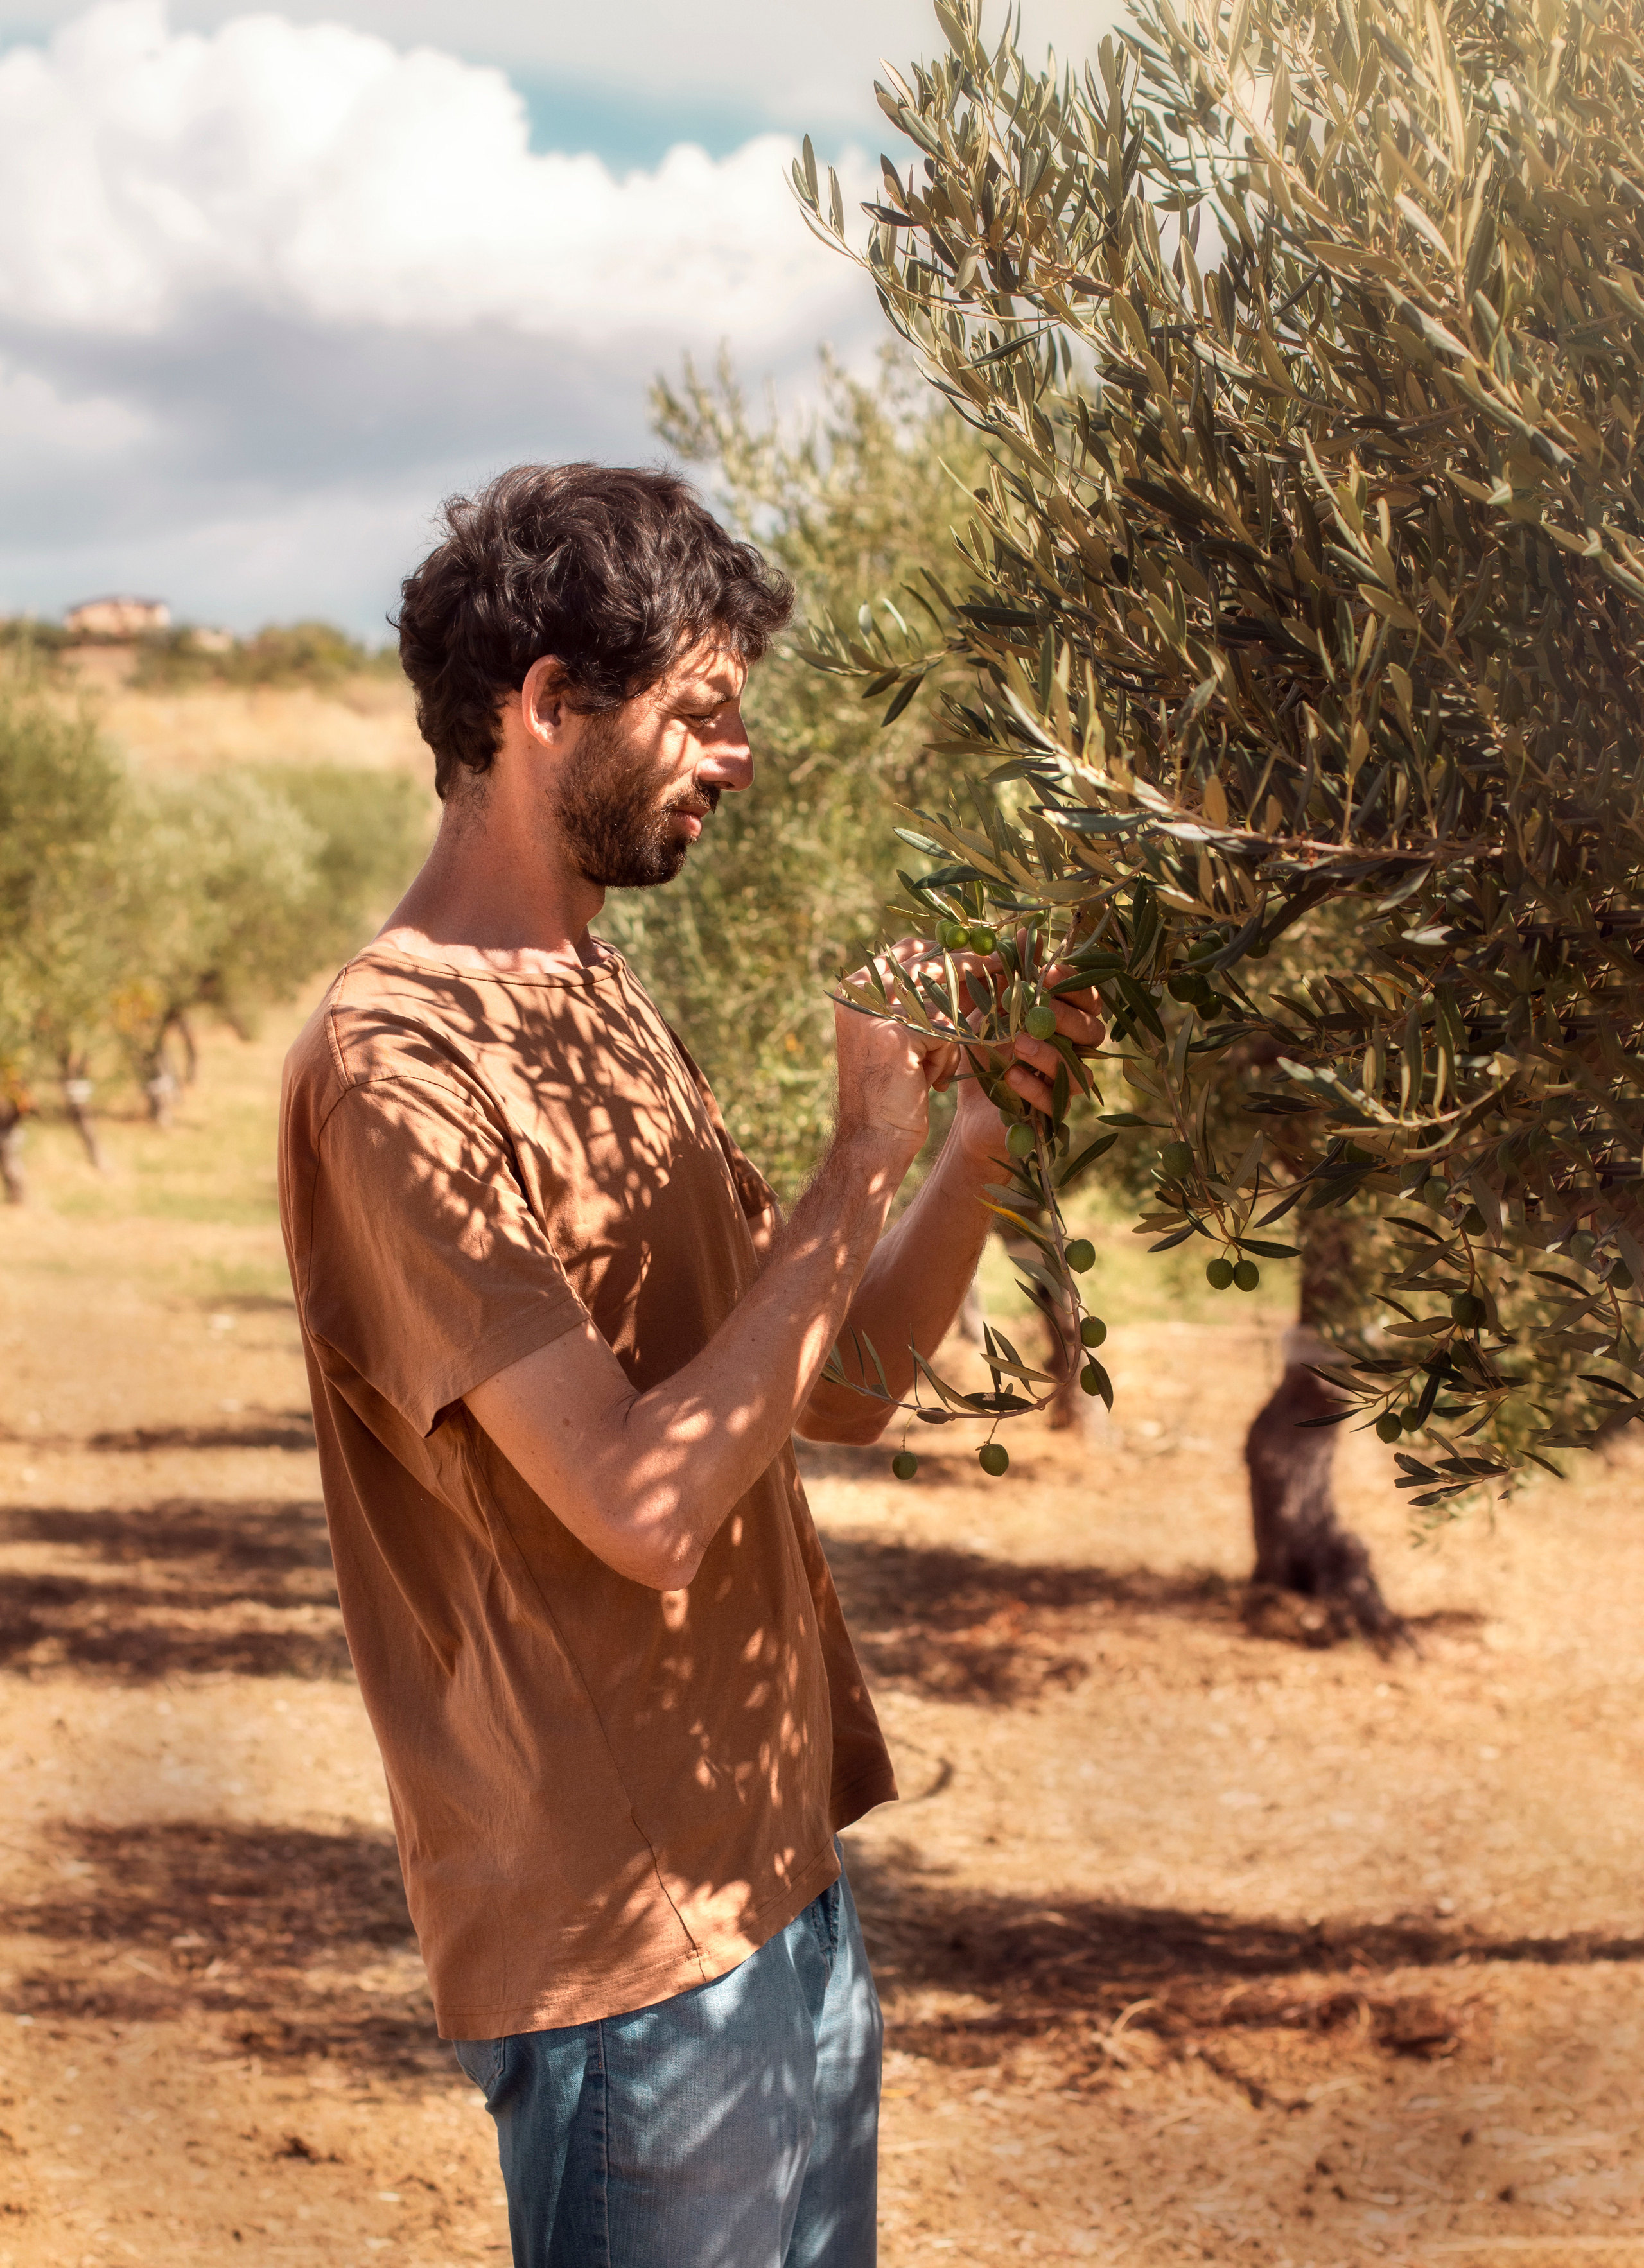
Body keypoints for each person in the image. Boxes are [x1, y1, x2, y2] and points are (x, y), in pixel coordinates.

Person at [277, 463, 1103, 2267]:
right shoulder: (395, 1061)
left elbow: (833, 1387)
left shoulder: (597, 999)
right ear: (547, 703)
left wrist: (970, 1138)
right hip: (622, 1948)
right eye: (702, 712)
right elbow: (644, 1506)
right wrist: (858, 1150)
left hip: (778, 1886)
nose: (738, 759)